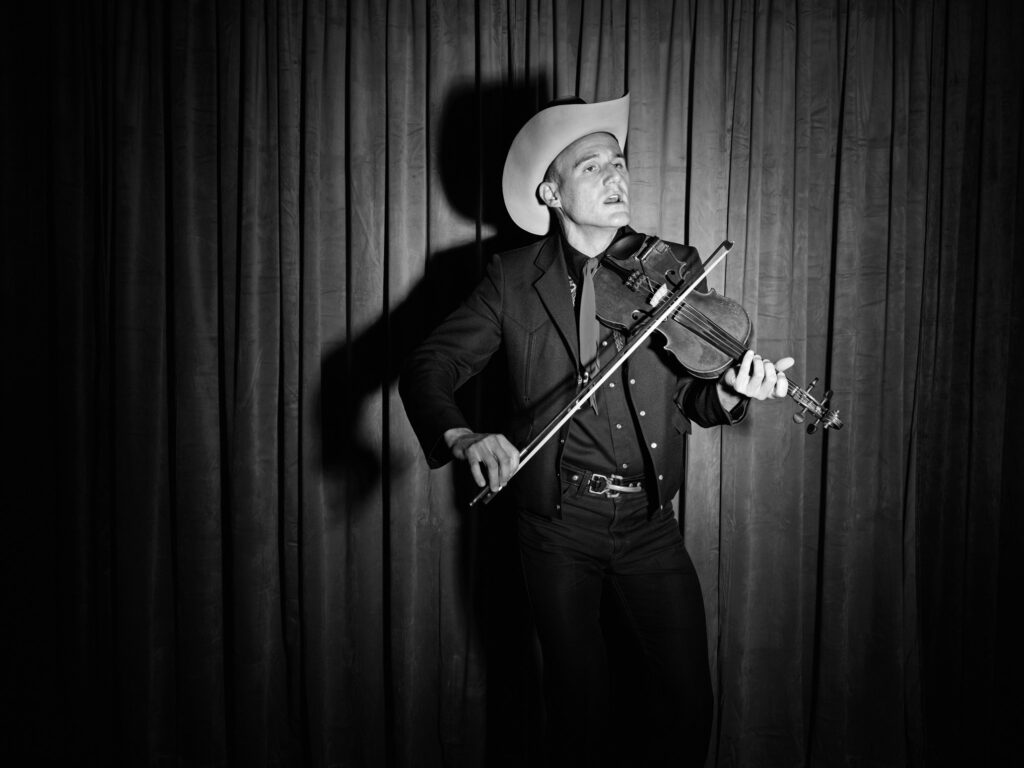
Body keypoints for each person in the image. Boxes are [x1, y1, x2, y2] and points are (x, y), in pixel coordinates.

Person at [400, 93, 793, 767]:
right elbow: (428, 367)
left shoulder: (672, 266)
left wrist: (728, 392)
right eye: (592, 166)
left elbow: (691, 401)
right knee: (580, 711)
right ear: (550, 191)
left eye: (620, 162)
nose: (617, 177)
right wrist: (462, 437)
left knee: (685, 701)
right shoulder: (512, 279)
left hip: (647, 521)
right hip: (556, 525)